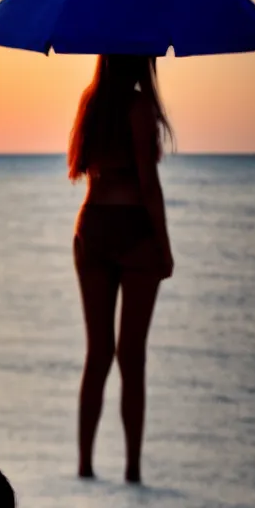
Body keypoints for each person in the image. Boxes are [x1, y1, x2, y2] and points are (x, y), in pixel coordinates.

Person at [69, 54, 175, 484]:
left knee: (98, 354)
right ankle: (132, 468)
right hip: (132, 229)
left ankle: (85, 465)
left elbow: (82, 168)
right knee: (132, 356)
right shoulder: (138, 107)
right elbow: (148, 184)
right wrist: (164, 249)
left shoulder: (91, 102)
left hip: (92, 224)